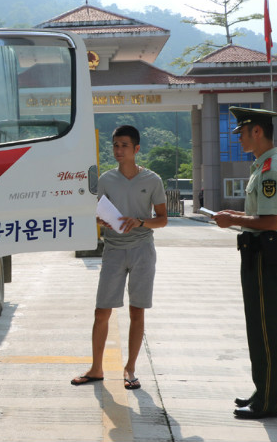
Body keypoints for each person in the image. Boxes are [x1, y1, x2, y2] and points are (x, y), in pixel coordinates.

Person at [213, 107, 277, 420]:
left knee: (268, 329)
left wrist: (232, 220)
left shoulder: (270, 170)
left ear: (257, 131)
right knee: (259, 327)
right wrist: (234, 218)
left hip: (268, 257)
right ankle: (263, 391)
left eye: (243, 133)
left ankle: (269, 402)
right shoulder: (261, 167)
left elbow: (272, 221)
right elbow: (263, 217)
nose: (239, 139)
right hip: (259, 255)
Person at [72, 125, 167, 390]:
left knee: (137, 311)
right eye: (115, 145)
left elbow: (162, 219)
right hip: (113, 250)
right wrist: (103, 221)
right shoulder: (105, 180)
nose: (118, 150)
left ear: (136, 149)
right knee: (102, 311)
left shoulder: (152, 180)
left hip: (142, 251)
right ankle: (96, 368)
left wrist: (140, 222)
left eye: (124, 145)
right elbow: (98, 213)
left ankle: (130, 369)